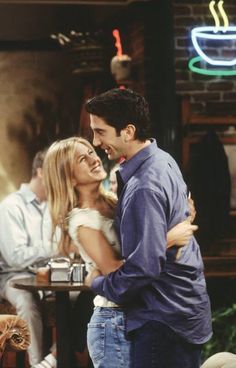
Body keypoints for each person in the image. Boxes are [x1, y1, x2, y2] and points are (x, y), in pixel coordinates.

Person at [43, 136, 198, 368]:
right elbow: (116, 270)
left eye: (91, 152)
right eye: (82, 159)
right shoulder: (82, 220)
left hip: (141, 316)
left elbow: (147, 237)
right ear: (68, 175)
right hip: (113, 322)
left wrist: (183, 214)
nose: (94, 159)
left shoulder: (115, 201)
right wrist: (167, 239)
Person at [84, 88, 212, 368]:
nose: (95, 141)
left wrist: (97, 283)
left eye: (100, 131)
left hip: (163, 317)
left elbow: (143, 267)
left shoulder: (144, 185)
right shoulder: (163, 159)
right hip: (182, 311)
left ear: (128, 131)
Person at [0, 150, 58, 368]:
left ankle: (52, 359)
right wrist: (57, 248)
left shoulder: (53, 206)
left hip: (49, 279)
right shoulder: (11, 206)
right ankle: (36, 365)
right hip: (13, 278)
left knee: (80, 300)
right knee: (27, 301)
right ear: (41, 172)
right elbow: (15, 257)